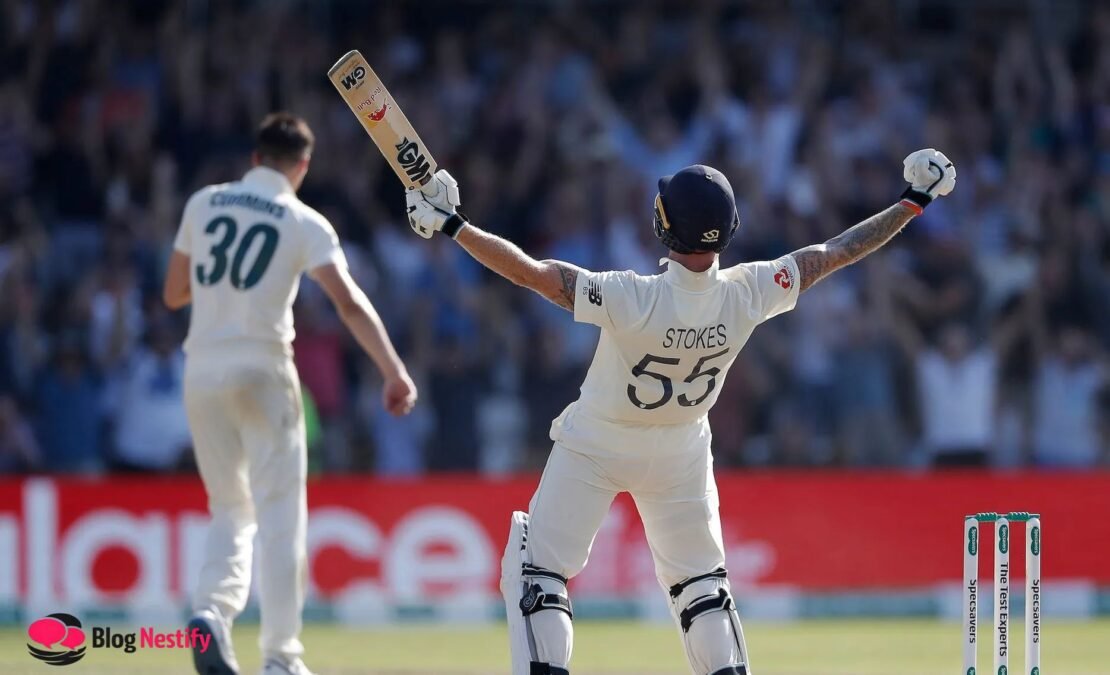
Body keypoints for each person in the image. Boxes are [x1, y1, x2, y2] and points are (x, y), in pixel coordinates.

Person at [404, 149, 956, 675]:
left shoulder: (630, 296)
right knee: (702, 589)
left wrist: (455, 226)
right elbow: (836, 252)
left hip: (596, 442)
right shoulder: (750, 292)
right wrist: (913, 200)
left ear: (662, 225)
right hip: (679, 453)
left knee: (539, 573)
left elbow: (532, 273)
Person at [163, 113, 417, 675]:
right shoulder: (305, 221)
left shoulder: (204, 203)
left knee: (230, 508)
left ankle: (211, 613)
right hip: (264, 369)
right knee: (280, 515)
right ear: (302, 167)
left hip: (202, 371)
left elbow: (174, 292)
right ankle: (280, 656)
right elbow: (347, 302)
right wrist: (393, 370)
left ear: (255, 159)